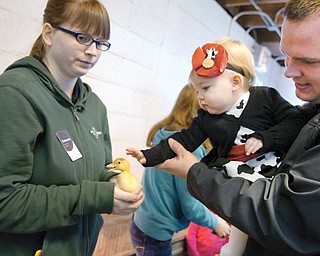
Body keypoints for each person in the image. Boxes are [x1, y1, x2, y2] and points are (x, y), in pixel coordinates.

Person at [145, 0, 320, 255]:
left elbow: (284, 215)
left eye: (307, 60)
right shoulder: (308, 117)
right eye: (287, 56)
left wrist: (196, 174)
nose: (288, 71)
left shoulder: (269, 104)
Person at [0, 0, 144, 255]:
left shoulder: (94, 106)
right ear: (48, 34)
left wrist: (113, 181)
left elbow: (98, 171)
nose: (93, 52)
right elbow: (5, 202)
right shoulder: (16, 94)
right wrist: (96, 197)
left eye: (100, 43)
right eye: (82, 37)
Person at [130, 84, 231, 256]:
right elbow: (190, 207)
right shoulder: (188, 149)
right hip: (156, 233)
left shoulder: (162, 134)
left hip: (142, 222)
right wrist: (216, 223)